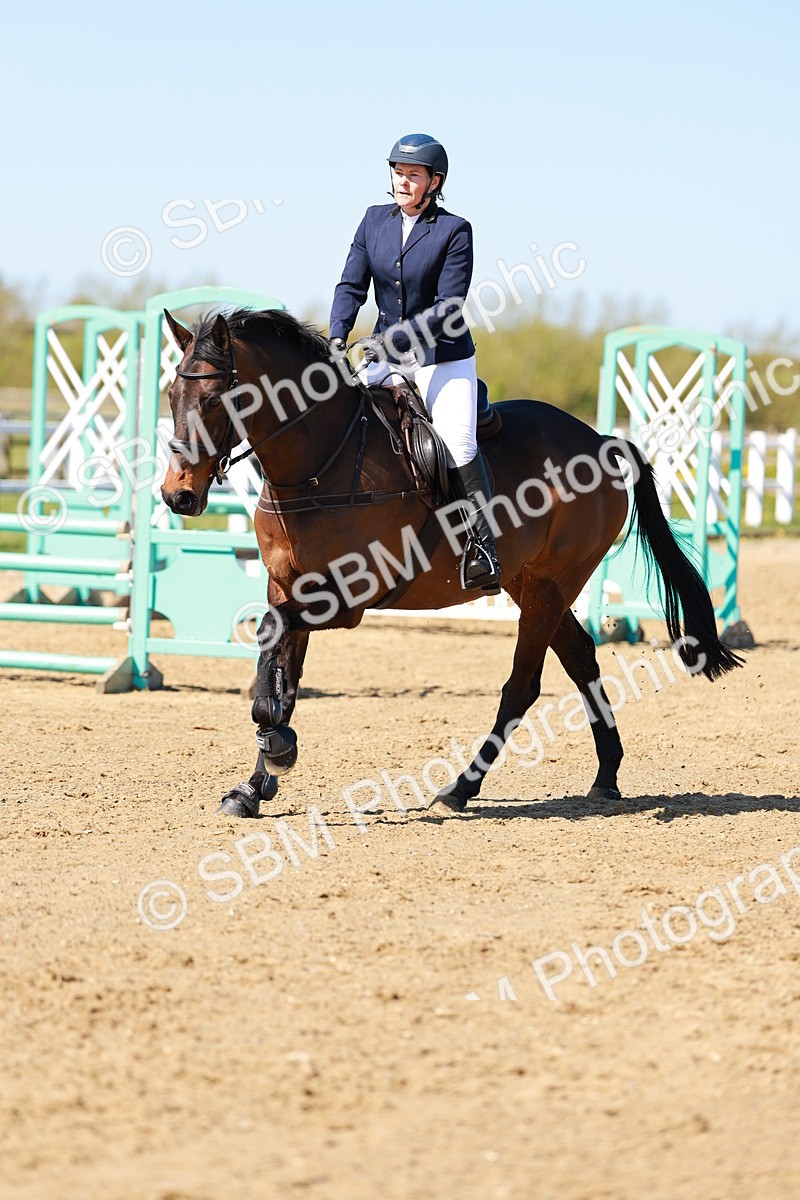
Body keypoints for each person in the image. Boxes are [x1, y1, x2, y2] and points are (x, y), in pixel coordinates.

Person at [328, 133, 501, 593]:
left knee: (459, 443)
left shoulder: (453, 230)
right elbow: (351, 286)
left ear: (434, 182)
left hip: (441, 357)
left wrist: (388, 343)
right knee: (338, 417)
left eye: (413, 176)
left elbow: (447, 309)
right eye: (398, 173)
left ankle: (484, 547)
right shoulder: (372, 221)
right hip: (384, 354)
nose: (403, 182)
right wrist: (337, 336)